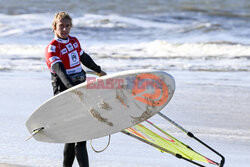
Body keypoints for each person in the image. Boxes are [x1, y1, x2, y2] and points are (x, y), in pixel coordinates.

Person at [44, 11, 106, 167]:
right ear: (54, 27)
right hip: (65, 94)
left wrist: (98, 70)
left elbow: (83, 58)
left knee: (78, 137)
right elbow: (60, 72)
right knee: (75, 137)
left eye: (67, 26)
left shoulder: (74, 42)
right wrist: (74, 91)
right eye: (61, 26)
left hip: (80, 90)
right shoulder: (52, 48)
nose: (64, 29)